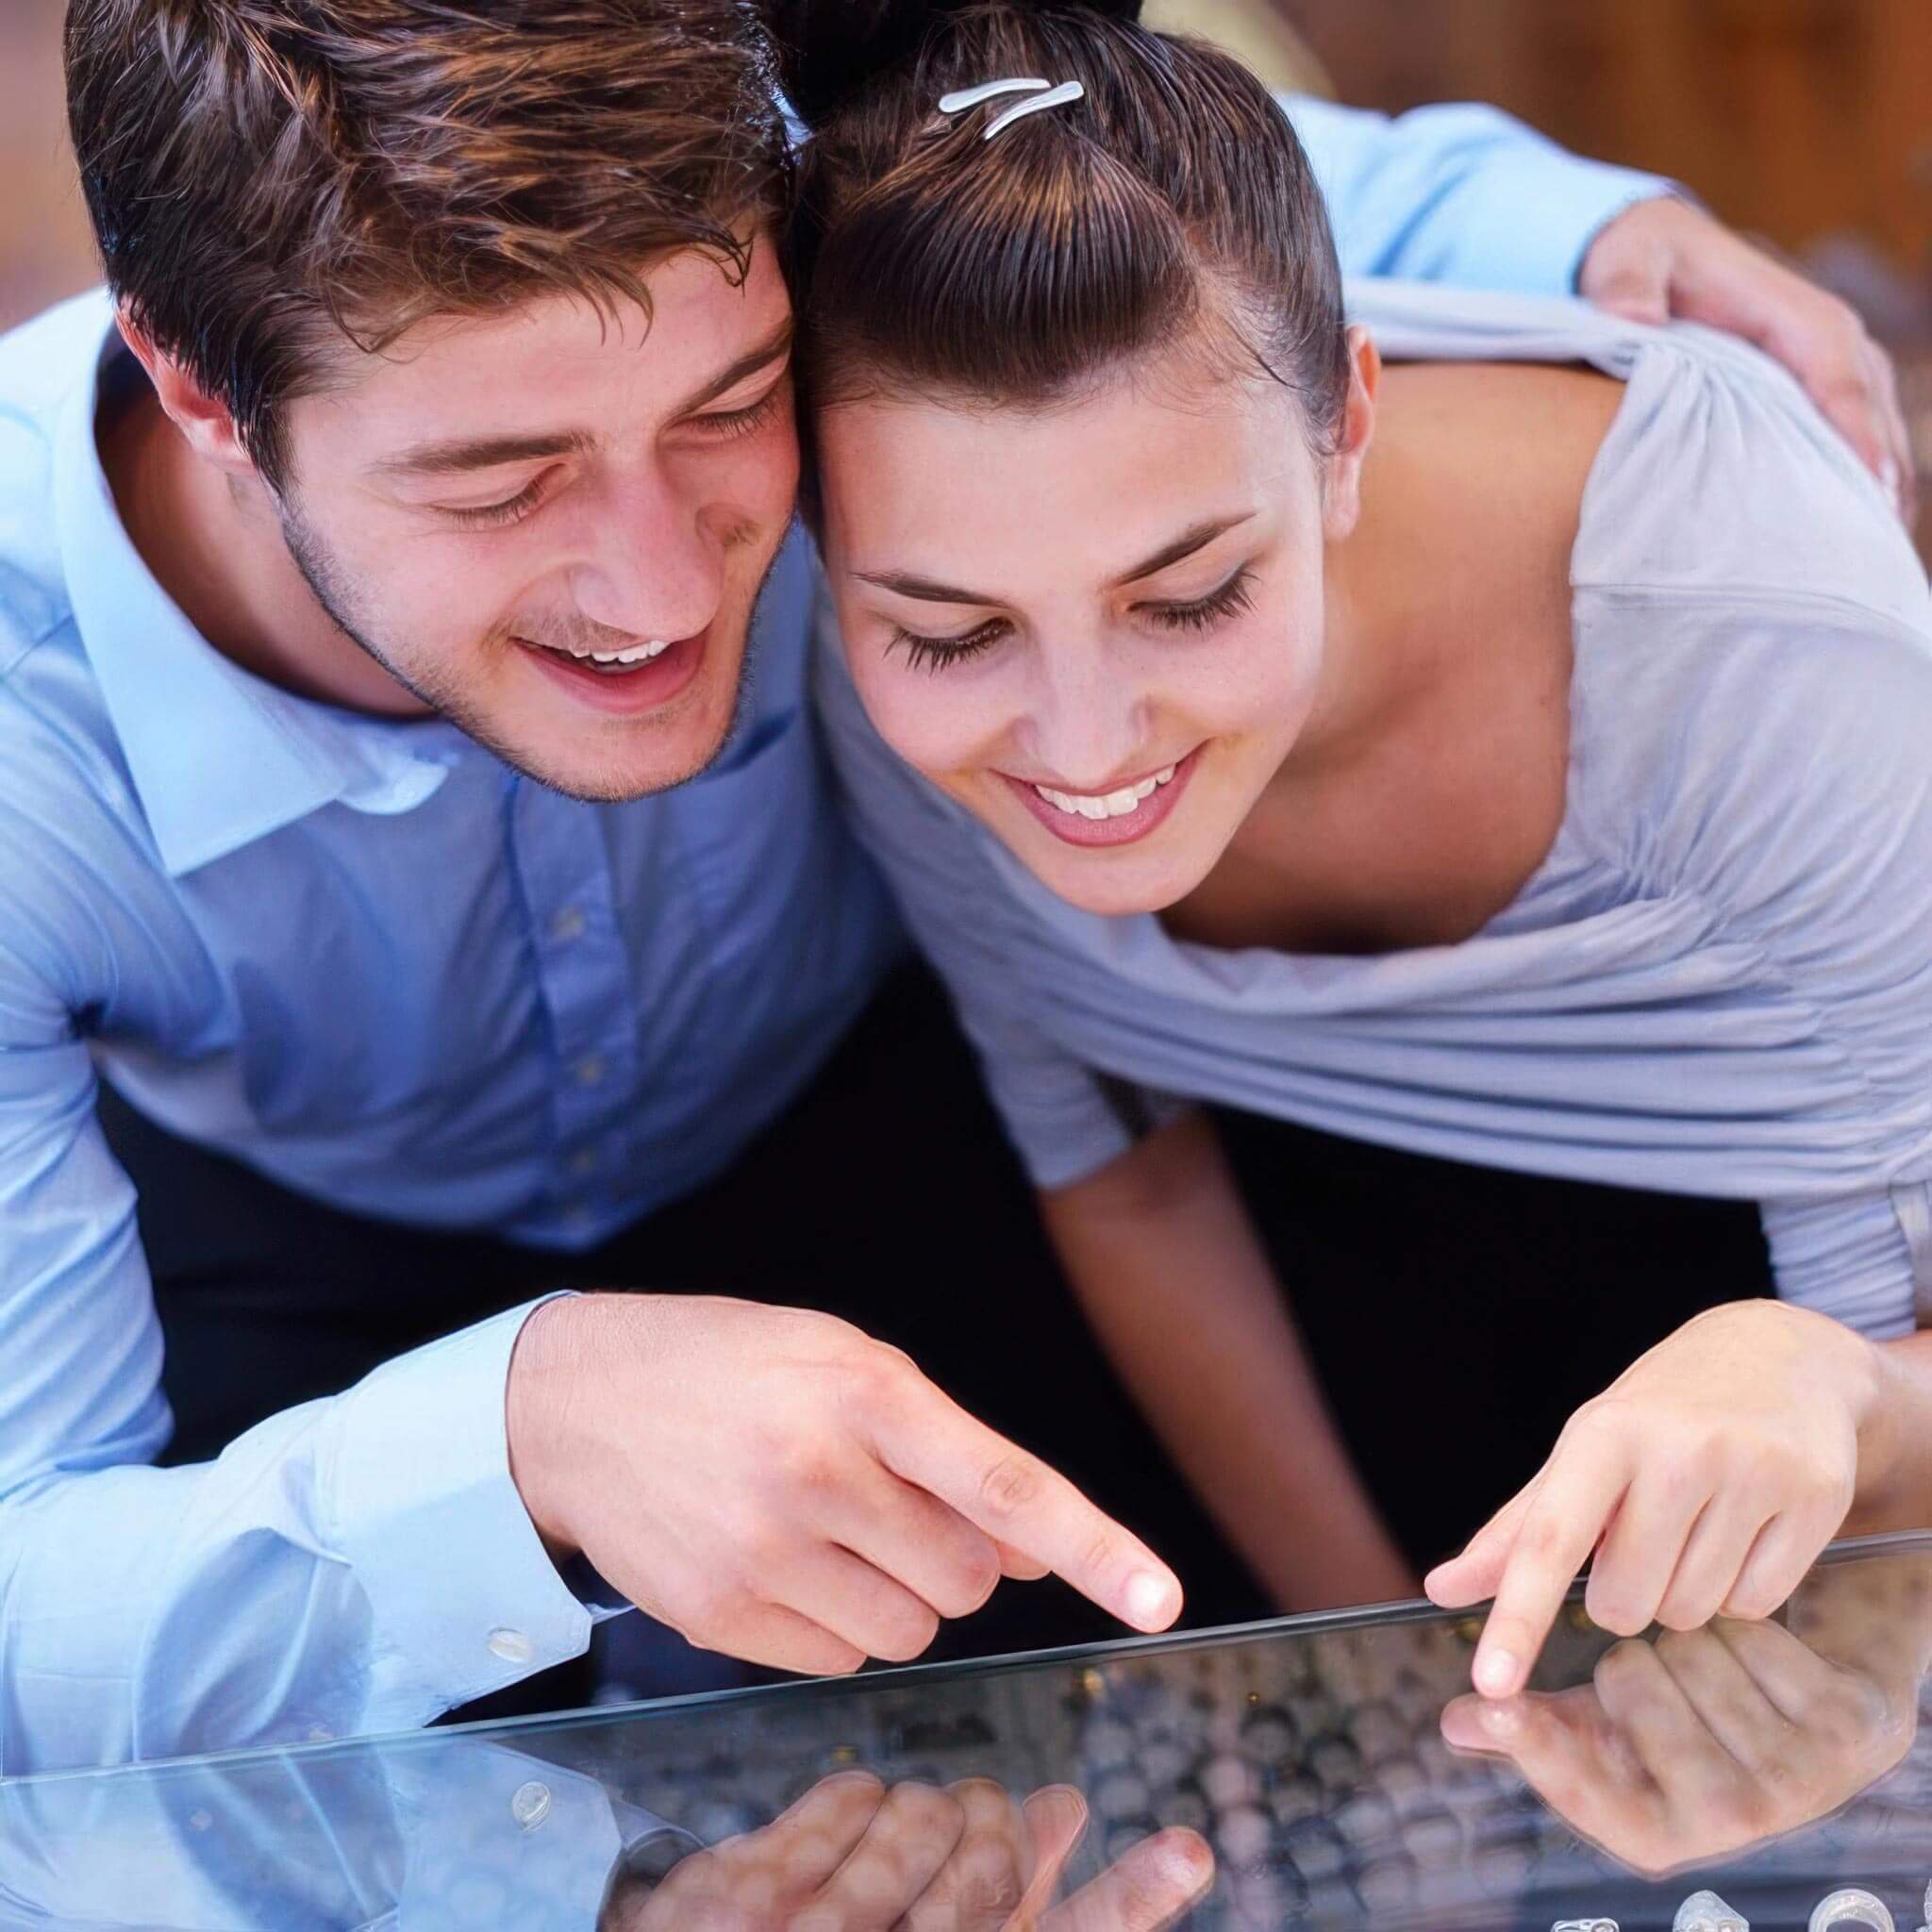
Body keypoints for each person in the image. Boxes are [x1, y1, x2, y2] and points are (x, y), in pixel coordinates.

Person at [0, 0, 1911, 1776]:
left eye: (733, 404)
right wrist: (513, 1435)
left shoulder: (774, 165)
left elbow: (1090, 186)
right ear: (197, 384)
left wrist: (1586, 229)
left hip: (887, 1106)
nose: (666, 593)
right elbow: (30, 1619)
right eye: (502, 485)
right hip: (294, 1252)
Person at [792, 0, 1932, 1704]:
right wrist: (1389, 1686)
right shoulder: (872, 684)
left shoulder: (1762, 647)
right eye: (953, 634)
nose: (1084, 747)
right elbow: (1121, 1161)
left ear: (1345, 430)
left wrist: (1843, 1406)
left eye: (1191, 596)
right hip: (1337, 1390)